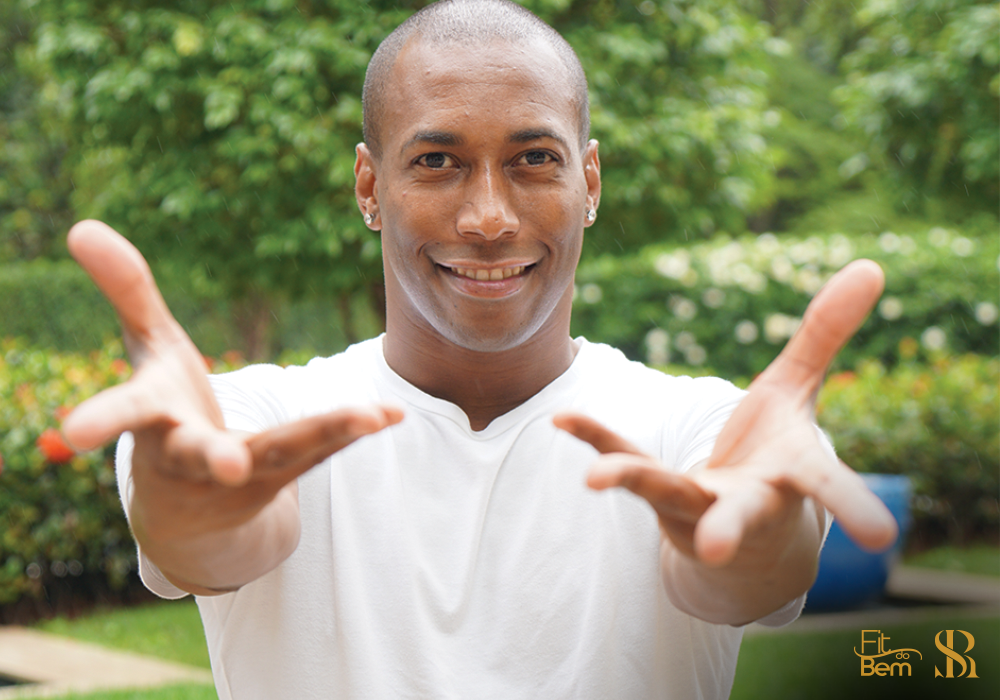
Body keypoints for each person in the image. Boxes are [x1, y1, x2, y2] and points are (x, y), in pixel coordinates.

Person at [61, 1, 897, 697]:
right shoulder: (251, 422)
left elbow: (746, 571)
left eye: (534, 159)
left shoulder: (700, 430)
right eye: (437, 161)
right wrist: (189, 503)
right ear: (369, 188)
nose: (489, 218)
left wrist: (758, 540)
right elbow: (211, 537)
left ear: (590, 184)